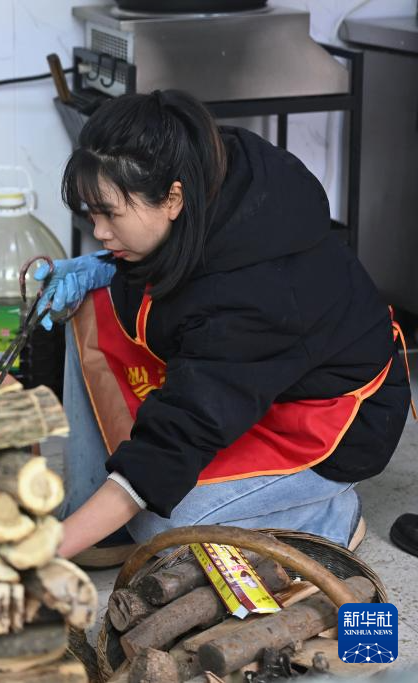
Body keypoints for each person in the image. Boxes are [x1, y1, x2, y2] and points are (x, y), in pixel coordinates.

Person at [38, 89, 413, 565]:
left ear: (173, 198)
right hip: (247, 381)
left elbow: (179, 435)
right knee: (88, 304)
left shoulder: (255, 294)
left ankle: (327, 520)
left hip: (322, 418)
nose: (99, 232)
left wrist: (44, 552)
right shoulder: (197, 166)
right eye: (91, 214)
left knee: (161, 522)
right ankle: (98, 519)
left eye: (110, 214)